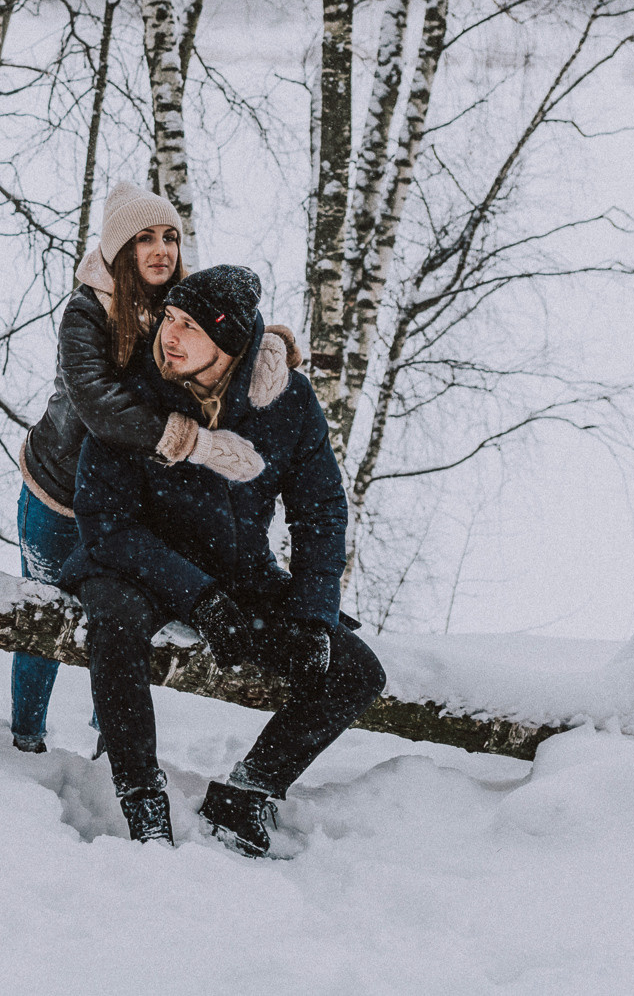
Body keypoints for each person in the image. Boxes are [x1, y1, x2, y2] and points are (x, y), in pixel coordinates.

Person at [60, 263, 386, 856]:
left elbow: (320, 512)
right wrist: (200, 598)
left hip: (242, 573)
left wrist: (314, 615)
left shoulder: (286, 402)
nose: (170, 335)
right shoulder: (131, 391)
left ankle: (247, 793)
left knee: (355, 671)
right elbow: (105, 525)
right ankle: (141, 796)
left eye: (190, 327)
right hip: (140, 561)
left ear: (229, 346)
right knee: (113, 618)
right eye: (171, 318)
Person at [10, 183, 262, 754]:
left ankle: (111, 748)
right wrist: (185, 439)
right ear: (121, 249)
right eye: (145, 238)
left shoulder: (180, 307)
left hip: (125, 508)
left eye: (170, 237)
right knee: (39, 620)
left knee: (118, 625)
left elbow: (228, 338)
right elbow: (98, 405)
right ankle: (26, 739)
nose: (161, 249)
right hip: (57, 496)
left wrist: (269, 348)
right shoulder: (86, 311)